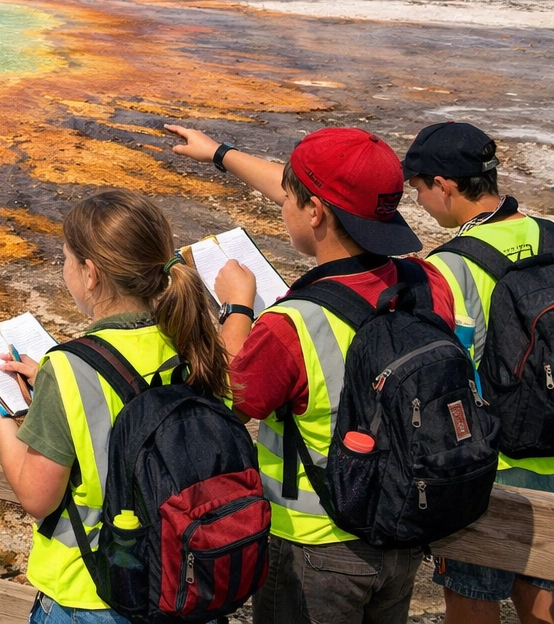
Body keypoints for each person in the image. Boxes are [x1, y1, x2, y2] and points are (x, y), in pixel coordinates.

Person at [167, 123, 457, 624]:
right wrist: (220, 154)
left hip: (314, 547)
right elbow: (313, 195)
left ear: (316, 211)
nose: (283, 204)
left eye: (289, 198)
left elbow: (233, 397)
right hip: (402, 530)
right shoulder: (428, 282)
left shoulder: (291, 323)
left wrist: (237, 306)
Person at [0, 189, 229, 624]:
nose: (63, 270)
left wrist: (1, 410)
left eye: (65, 258)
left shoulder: (66, 368)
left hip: (93, 594)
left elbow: (36, 498)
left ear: (90, 272)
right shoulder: (193, 340)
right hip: (184, 580)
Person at [403, 123, 554, 624]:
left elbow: (449, 370)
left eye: (419, 189)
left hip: (494, 465)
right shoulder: (547, 233)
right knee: (543, 591)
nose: (420, 201)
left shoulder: (450, 266)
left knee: (471, 597)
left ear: (443, 185)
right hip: (551, 447)